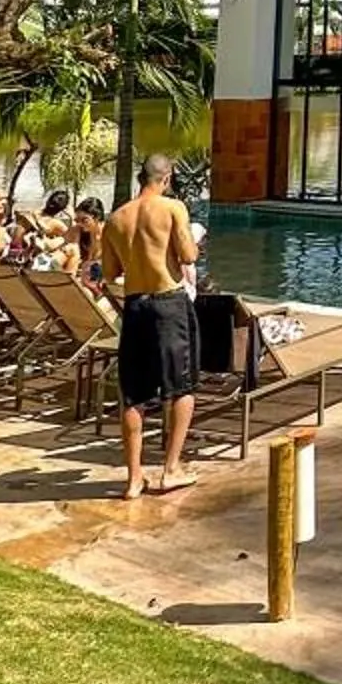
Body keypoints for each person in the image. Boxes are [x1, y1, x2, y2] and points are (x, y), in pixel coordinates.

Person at [101, 155, 199, 500]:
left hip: (135, 306)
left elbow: (110, 272)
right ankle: (170, 470)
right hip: (168, 303)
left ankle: (133, 480)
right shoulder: (173, 208)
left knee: (134, 394)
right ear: (167, 177)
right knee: (180, 386)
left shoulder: (115, 219)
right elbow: (187, 255)